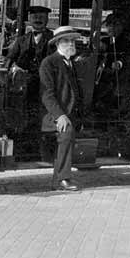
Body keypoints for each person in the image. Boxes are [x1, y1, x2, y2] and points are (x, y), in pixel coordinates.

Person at [39, 26, 83, 191]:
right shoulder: (49, 63)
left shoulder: (72, 63)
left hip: (69, 113)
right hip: (51, 115)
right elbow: (47, 95)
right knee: (66, 131)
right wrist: (60, 116)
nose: (71, 44)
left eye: (73, 41)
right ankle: (61, 180)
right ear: (57, 43)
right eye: (66, 41)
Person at [93, 13, 130, 112]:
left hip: (118, 76)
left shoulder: (126, 42)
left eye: (111, 26)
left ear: (119, 27)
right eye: (107, 26)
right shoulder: (106, 40)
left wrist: (119, 63)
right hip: (104, 74)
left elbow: (129, 57)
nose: (108, 29)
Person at [6, 6, 54, 97]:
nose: (38, 20)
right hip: (24, 84)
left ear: (47, 19)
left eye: (41, 17)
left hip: (45, 85)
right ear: (30, 19)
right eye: (35, 17)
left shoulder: (54, 39)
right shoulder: (21, 40)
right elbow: (10, 58)